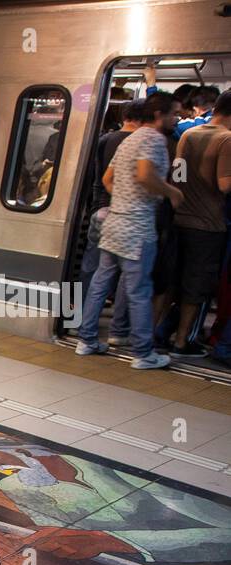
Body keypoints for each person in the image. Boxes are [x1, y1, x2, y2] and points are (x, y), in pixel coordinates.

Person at [77, 92, 183, 369]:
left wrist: (124, 198)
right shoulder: (154, 139)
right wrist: (171, 192)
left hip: (114, 222)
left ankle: (86, 340)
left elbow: (107, 179)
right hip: (137, 227)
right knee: (139, 290)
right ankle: (143, 353)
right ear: (159, 115)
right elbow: (145, 174)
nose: (177, 119)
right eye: (174, 113)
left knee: (100, 283)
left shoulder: (129, 139)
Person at [157, 89, 231, 357]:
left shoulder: (188, 134)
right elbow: (224, 186)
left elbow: (178, 176)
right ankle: (181, 342)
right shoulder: (226, 139)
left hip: (181, 218)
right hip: (208, 224)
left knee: (171, 282)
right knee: (196, 287)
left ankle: (155, 334)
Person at [81, 100, 142, 346]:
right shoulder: (141, 143)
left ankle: (77, 320)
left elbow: (99, 177)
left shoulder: (105, 139)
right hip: (125, 215)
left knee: (92, 270)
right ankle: (119, 330)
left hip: (99, 209)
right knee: (127, 276)